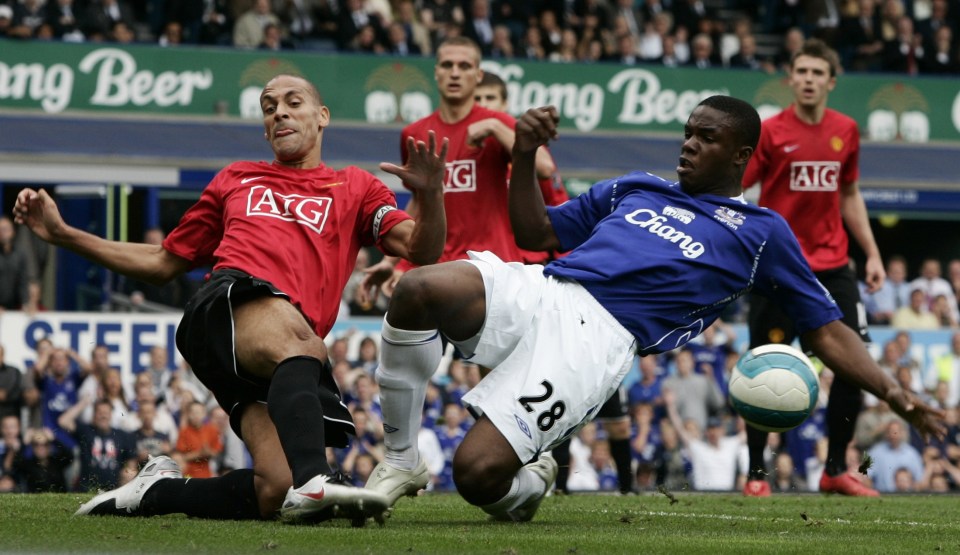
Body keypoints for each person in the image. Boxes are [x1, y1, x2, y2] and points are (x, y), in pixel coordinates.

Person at [362, 95, 946, 522]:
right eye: (688, 132)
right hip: (546, 285)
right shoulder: (636, 187)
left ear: (741, 154)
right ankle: (400, 458)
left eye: (706, 137)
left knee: (476, 476)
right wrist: (526, 152)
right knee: (419, 290)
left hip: (597, 343)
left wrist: (895, 392)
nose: (689, 143)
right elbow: (534, 228)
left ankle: (526, 487)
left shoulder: (761, 233)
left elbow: (826, 330)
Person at [14, 73, 448, 523]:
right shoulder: (236, 179)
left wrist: (432, 195)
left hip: (278, 357)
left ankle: (157, 492)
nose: (278, 111)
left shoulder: (355, 187)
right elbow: (164, 261)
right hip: (226, 310)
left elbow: (422, 250)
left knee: (274, 488)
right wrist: (66, 236)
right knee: (302, 347)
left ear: (322, 117)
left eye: (292, 102)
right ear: (265, 128)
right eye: (268, 106)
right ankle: (317, 483)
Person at [740, 39, 888, 498]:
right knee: (763, 368)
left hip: (833, 267)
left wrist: (873, 252)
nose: (808, 79)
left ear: (830, 81)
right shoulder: (769, 131)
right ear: (791, 78)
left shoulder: (846, 129)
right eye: (800, 70)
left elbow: (849, 193)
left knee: (854, 366)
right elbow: (737, 187)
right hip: (779, 269)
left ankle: (833, 471)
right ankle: (756, 475)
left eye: (816, 72)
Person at [364, 37, 522, 299]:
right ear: (436, 72)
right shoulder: (414, 134)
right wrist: (391, 262)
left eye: (464, 66)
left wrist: (495, 129)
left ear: (478, 74)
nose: (455, 73)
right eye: (447, 65)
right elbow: (419, 201)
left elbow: (544, 167)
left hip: (494, 270)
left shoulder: (499, 122)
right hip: (439, 269)